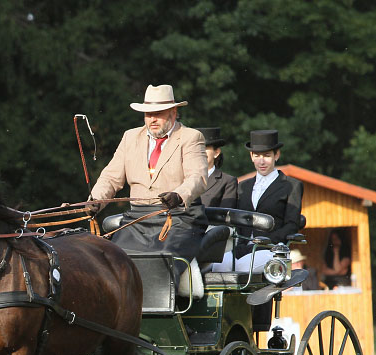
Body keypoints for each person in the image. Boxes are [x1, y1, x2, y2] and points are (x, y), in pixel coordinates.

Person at [89, 84, 208, 277]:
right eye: (147, 114)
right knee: (112, 261)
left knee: (159, 262)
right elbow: (111, 178)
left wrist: (178, 195)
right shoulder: (130, 137)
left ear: (174, 112)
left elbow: (198, 177)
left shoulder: (190, 137)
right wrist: (94, 201)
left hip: (178, 219)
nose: (152, 119)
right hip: (137, 220)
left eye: (158, 113)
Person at [212, 129, 303, 272]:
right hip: (241, 247)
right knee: (217, 266)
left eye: (267, 156)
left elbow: (292, 224)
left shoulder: (291, 185)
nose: (261, 161)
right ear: (251, 156)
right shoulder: (243, 186)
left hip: (271, 248)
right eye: (257, 155)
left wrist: (269, 241)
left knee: (242, 268)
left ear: (276, 155)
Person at [196, 127, 237, 208]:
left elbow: (225, 214)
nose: (200, 153)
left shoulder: (227, 181)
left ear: (216, 152)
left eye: (204, 149)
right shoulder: (182, 178)